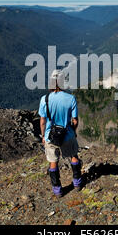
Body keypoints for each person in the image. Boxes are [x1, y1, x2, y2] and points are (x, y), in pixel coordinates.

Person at [38, 70, 82, 198]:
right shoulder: (71, 98)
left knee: (53, 162)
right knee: (73, 156)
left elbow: (42, 121)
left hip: (50, 136)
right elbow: (75, 120)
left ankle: (57, 190)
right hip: (67, 134)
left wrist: (43, 137)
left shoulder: (44, 99)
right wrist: (73, 131)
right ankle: (77, 183)